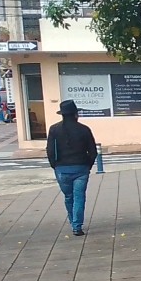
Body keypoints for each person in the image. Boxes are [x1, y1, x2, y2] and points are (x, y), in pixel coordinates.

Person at [45, 99, 97, 237]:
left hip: (62, 169)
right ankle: (77, 226)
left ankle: (72, 221)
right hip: (81, 168)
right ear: (75, 114)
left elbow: (50, 151)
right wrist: (88, 165)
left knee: (69, 197)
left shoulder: (54, 129)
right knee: (79, 197)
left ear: (62, 114)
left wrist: (55, 166)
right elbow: (93, 151)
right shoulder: (84, 129)